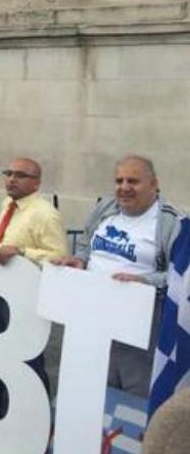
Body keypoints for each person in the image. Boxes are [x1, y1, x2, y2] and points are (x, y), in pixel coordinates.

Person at [56, 155, 180, 398]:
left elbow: (179, 278)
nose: (124, 187)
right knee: (91, 390)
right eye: (119, 180)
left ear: (154, 184)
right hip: (92, 319)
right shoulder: (106, 207)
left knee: (134, 401)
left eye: (133, 181)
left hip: (140, 330)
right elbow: (86, 244)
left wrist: (145, 282)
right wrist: (79, 260)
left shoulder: (171, 222)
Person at [0, 157, 67, 418]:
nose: (11, 179)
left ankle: (36, 417)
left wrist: (22, 252)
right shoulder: (8, 204)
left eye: (20, 175)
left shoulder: (45, 214)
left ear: (36, 183)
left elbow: (59, 257)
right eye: (8, 173)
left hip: (26, 298)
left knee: (28, 359)